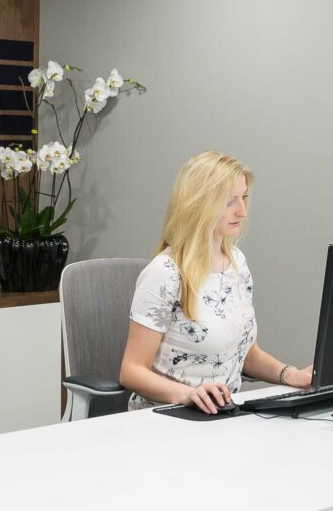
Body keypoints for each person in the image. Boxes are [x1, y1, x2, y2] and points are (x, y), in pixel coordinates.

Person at [120, 151, 313, 414]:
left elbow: (244, 353)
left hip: (222, 414)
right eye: (229, 201)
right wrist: (189, 394)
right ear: (198, 203)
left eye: (243, 198)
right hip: (168, 418)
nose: (242, 211)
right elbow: (131, 371)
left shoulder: (236, 263)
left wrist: (290, 374)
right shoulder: (165, 273)